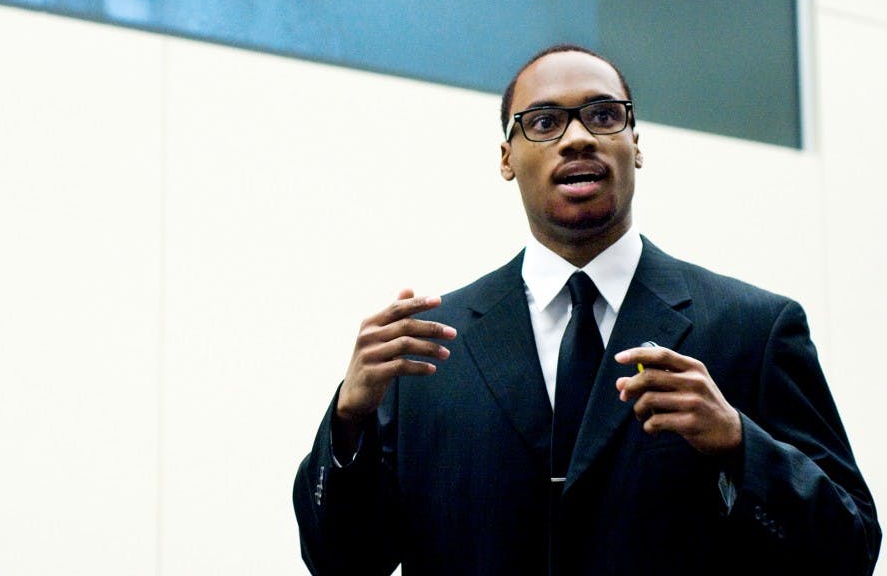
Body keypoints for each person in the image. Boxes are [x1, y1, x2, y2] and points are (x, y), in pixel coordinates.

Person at [292, 44, 881, 575]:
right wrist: (349, 420)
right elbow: (343, 562)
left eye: (604, 116)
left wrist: (738, 444)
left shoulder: (751, 328)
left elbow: (850, 549)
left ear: (636, 145)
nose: (578, 138)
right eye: (544, 122)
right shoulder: (427, 351)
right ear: (505, 157)